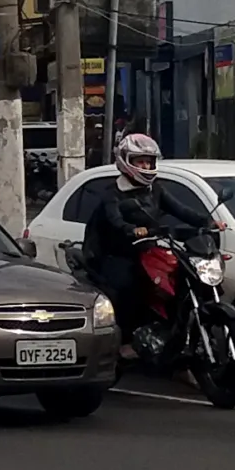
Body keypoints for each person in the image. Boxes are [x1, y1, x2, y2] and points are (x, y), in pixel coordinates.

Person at [82, 133, 169, 341]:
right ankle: (123, 341)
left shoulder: (154, 190)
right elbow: (115, 219)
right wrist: (131, 228)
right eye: (141, 161)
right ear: (125, 161)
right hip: (116, 254)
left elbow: (181, 210)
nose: (146, 167)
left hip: (147, 251)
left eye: (149, 162)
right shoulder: (113, 193)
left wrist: (208, 223)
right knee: (127, 291)